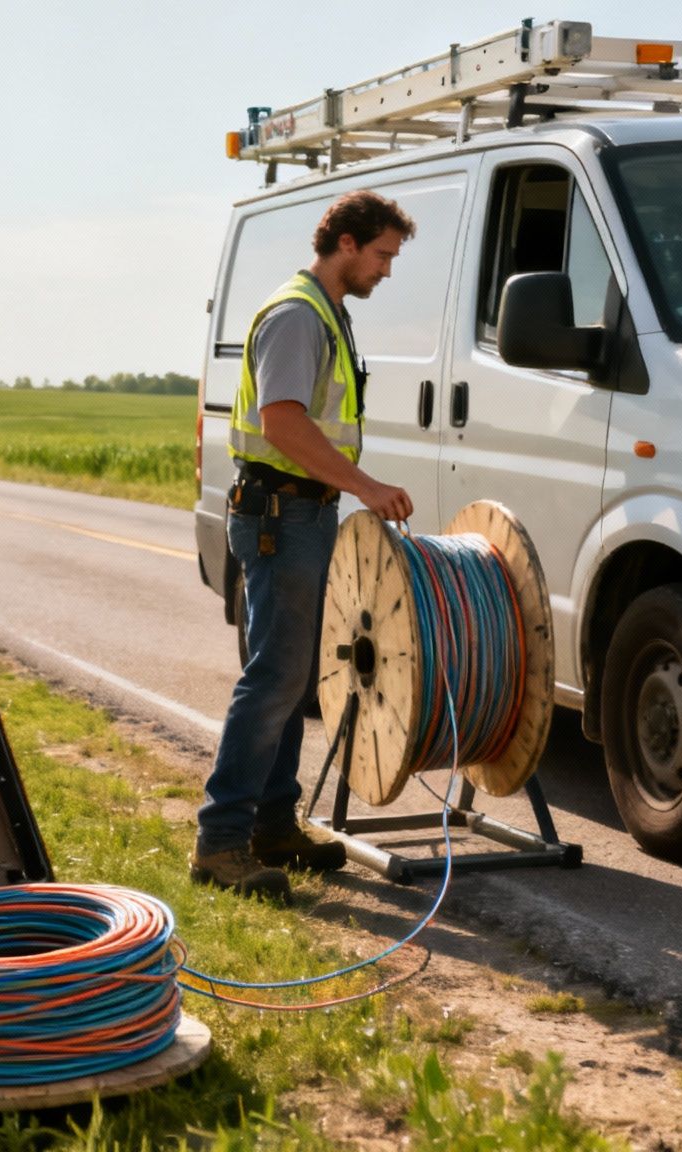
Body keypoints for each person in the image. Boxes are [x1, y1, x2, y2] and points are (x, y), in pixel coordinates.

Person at [192, 189, 418, 897]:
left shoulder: (329, 314)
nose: (386, 269)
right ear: (345, 244)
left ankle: (273, 826)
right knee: (275, 679)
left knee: (292, 681)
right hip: (281, 517)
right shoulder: (298, 316)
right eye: (381, 254)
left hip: (302, 515)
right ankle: (220, 843)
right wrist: (367, 485)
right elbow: (284, 423)